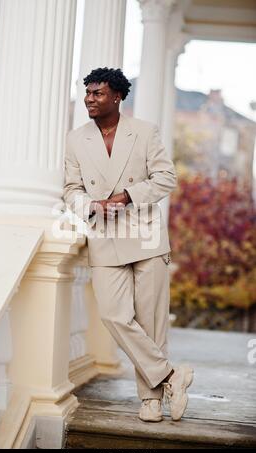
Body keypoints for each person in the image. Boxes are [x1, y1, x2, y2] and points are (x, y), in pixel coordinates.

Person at [63, 67, 193, 422]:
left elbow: (167, 177)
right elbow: (70, 189)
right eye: (88, 92)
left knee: (150, 321)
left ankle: (150, 400)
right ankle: (171, 376)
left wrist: (127, 196)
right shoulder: (76, 139)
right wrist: (90, 205)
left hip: (146, 234)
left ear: (117, 96)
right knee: (113, 314)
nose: (90, 98)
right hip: (104, 235)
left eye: (98, 93)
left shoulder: (144, 132)